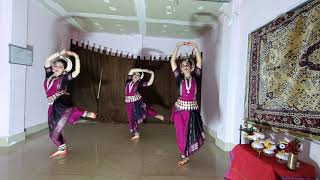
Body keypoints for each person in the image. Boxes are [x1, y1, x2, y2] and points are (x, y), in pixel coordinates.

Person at [44, 49, 96, 158]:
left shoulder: (64, 78)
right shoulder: (48, 74)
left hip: (61, 100)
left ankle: (84, 113)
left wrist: (76, 57)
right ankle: (61, 148)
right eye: (56, 65)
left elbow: (76, 72)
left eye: (60, 66)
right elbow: (47, 60)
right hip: (52, 104)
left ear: (64, 70)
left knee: (63, 107)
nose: (57, 68)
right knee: (53, 129)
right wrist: (60, 53)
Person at [170, 42, 205, 166]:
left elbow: (200, 62)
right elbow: (172, 61)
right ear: (181, 68)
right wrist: (178, 46)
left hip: (191, 111)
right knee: (180, 133)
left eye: (187, 65)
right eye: (183, 65)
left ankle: (186, 153)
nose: (185, 66)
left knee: (188, 133)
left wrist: (195, 47)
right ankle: (184, 155)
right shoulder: (178, 77)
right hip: (179, 110)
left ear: (191, 67)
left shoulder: (196, 76)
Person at [125, 68, 164, 140]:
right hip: (129, 103)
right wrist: (144, 70)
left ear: (140, 78)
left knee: (143, 111)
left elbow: (149, 83)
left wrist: (152, 73)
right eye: (134, 74)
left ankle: (137, 134)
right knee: (131, 117)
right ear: (132, 76)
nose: (135, 76)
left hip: (136, 102)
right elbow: (131, 70)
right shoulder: (128, 81)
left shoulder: (139, 83)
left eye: (138, 75)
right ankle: (137, 133)